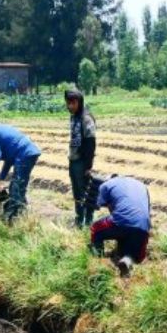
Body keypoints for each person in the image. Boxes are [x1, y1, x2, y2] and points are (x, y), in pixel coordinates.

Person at [88, 174, 150, 277]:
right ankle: (127, 260)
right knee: (132, 252)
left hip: (121, 221)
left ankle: (98, 259)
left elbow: (101, 205)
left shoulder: (106, 185)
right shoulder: (141, 185)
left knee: (96, 228)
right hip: (143, 227)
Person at [65, 87, 97, 228]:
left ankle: (89, 221)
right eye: (68, 103)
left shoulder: (86, 118)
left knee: (86, 191)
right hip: (73, 159)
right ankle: (79, 220)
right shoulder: (74, 117)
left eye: (73, 103)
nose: (70, 106)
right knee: (77, 192)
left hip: (82, 161)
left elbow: (90, 142)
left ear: (79, 102)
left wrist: (88, 166)